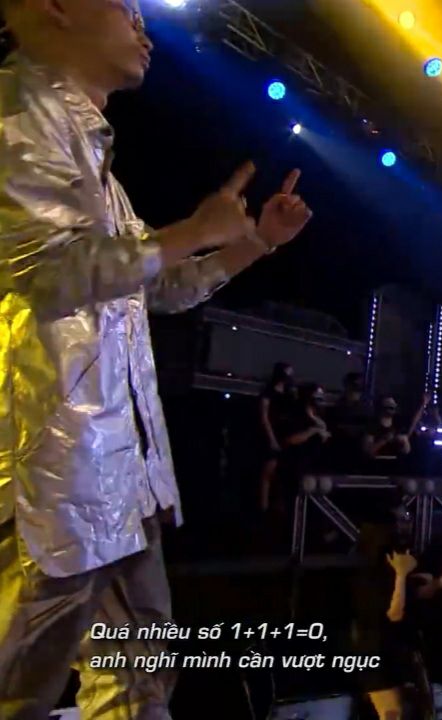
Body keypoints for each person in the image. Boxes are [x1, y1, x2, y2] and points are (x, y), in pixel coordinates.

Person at [0, 1, 312, 716]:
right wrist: (190, 232)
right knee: (20, 687)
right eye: (126, 6)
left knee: (140, 678)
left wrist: (253, 242)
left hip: (115, 477)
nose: (142, 26)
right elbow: (45, 272)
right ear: (54, 8)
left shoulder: (98, 168)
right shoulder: (17, 114)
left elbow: (155, 289)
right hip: (48, 476)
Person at [352, 505, 442, 720]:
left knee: (410, 709)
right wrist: (401, 575)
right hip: (378, 650)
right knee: (393, 712)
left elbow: (417, 594)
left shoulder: (391, 562)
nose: (405, 526)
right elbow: (394, 613)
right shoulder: (373, 570)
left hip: (399, 649)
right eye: (400, 521)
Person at [258, 361, 296, 511]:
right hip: (272, 433)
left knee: (282, 472)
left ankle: (279, 505)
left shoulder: (288, 393)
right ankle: (264, 506)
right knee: (268, 471)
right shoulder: (268, 392)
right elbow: (264, 416)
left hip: (285, 434)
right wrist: (272, 438)